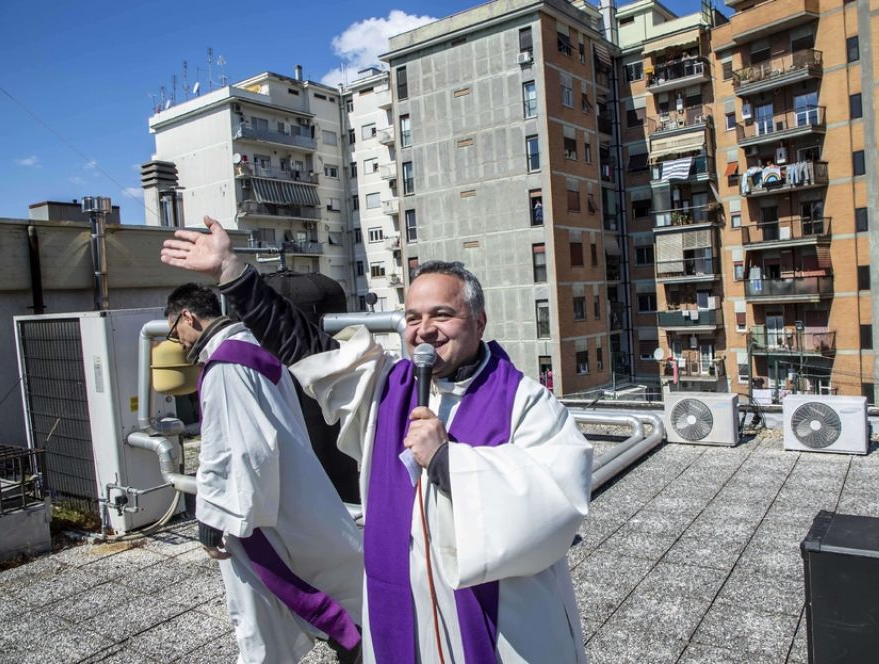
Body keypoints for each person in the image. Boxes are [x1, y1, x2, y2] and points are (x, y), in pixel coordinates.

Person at [161, 216, 594, 663]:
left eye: (442, 315)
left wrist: (448, 461)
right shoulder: (386, 388)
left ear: (479, 322)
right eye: (413, 317)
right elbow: (307, 349)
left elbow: (557, 501)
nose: (424, 330)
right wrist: (232, 273)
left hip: (502, 621)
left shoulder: (525, 401)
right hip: (404, 609)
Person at [164, 283, 363, 664]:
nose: (179, 341)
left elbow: (233, 448)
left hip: (254, 511)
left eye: (176, 330)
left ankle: (346, 639)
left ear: (188, 316)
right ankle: (349, 636)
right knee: (318, 577)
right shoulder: (254, 348)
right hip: (289, 487)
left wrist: (211, 515)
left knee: (257, 611)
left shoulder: (224, 366)